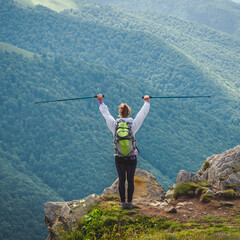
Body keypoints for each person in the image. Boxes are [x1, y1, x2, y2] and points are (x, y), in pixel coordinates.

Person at [97, 94, 150, 209]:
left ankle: (122, 203)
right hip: (132, 156)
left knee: (122, 180)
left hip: (119, 156)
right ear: (129, 113)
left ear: (119, 113)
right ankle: (130, 203)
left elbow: (106, 114)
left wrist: (101, 102)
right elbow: (142, 114)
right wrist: (147, 102)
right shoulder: (133, 125)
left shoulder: (114, 125)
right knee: (130, 180)